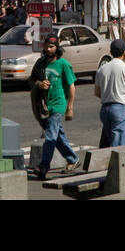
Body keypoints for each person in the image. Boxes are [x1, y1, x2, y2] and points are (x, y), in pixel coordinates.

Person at [30, 35, 79, 181]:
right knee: (58, 136)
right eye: (46, 46)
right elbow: (32, 79)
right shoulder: (41, 63)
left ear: (57, 48)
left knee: (50, 135)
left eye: (51, 47)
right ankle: (72, 158)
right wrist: (39, 84)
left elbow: (71, 87)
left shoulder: (64, 64)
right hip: (45, 105)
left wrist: (70, 107)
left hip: (59, 104)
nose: (48, 49)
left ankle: (44, 166)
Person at [94, 38, 125, 146]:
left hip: (105, 109)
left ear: (110, 52)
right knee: (119, 144)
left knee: (111, 140)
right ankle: (114, 163)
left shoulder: (101, 69)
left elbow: (97, 92)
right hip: (120, 108)